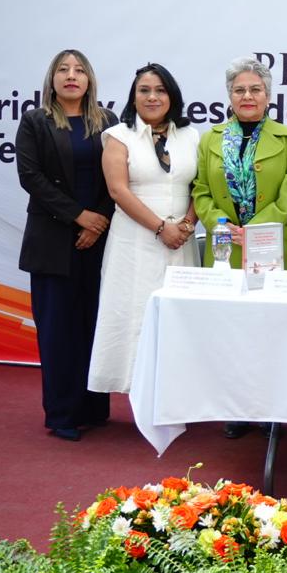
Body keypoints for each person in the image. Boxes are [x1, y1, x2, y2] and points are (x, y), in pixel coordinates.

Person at [193, 57, 287, 440]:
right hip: (224, 249)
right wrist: (221, 225)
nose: (247, 95)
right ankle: (237, 407)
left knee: (274, 329)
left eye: (255, 89)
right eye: (239, 89)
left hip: (272, 248)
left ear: (268, 95)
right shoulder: (209, 140)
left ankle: (274, 407)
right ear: (229, 96)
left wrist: (252, 231)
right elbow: (201, 193)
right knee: (232, 331)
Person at [15, 50, 118, 441]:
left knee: (92, 325)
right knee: (58, 330)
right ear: (52, 79)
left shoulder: (107, 122)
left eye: (79, 70)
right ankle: (61, 414)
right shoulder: (35, 121)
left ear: (90, 79)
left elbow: (119, 178)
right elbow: (31, 178)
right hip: (52, 241)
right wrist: (80, 217)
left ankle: (93, 407)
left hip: (99, 240)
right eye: (63, 69)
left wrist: (99, 219)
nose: (71, 75)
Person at [88, 63, 199, 394]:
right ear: (133, 97)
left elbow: (201, 186)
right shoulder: (117, 136)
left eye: (160, 90)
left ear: (172, 96)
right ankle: (136, 393)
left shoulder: (191, 136)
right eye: (144, 90)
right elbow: (118, 191)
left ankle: (174, 395)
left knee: (177, 317)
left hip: (182, 241)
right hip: (134, 241)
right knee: (133, 313)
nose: (152, 97)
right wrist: (160, 227)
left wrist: (188, 224)